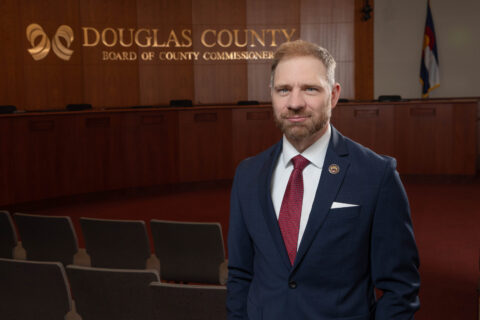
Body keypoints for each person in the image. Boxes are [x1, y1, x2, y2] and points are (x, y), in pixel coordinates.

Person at [226, 40, 420, 320]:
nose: (294, 103)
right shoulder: (247, 175)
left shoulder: (377, 175)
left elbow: (400, 289)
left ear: (333, 95)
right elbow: (240, 274)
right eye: (284, 90)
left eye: (310, 89)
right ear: (271, 94)